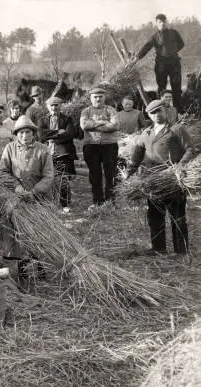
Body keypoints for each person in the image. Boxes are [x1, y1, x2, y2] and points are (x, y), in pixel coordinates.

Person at [123, 100, 195, 255]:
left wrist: (181, 165)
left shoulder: (177, 129)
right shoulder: (146, 133)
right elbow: (137, 154)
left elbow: (190, 149)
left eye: (159, 110)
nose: (156, 114)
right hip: (152, 181)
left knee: (177, 216)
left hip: (173, 180)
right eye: (152, 112)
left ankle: (181, 251)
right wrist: (129, 171)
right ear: (148, 115)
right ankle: (158, 249)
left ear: (165, 111)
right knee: (155, 216)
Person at [0, 116, 54, 287]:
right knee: (20, 235)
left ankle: (41, 268)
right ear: (16, 134)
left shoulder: (42, 150)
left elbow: (49, 175)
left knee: (39, 235)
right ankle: (23, 270)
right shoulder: (10, 148)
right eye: (21, 132)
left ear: (33, 133)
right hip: (18, 200)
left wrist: (35, 191)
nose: (24, 135)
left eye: (27, 132)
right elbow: (3, 171)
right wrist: (17, 188)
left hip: (39, 199)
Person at [134, 14, 185, 110]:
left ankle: (178, 109)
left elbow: (181, 44)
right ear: (156, 24)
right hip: (161, 65)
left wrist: (173, 52)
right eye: (160, 22)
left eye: (164, 22)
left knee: (176, 86)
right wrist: (137, 57)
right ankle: (161, 108)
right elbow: (146, 47)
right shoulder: (154, 37)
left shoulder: (174, 33)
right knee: (162, 87)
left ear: (167, 22)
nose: (162, 24)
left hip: (174, 63)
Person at [80, 86, 120, 208]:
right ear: (91, 98)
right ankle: (97, 201)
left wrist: (94, 125)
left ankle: (110, 202)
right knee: (95, 174)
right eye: (95, 97)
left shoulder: (111, 110)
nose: (98, 99)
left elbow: (115, 125)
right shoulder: (86, 111)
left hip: (109, 146)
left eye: (100, 97)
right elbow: (84, 125)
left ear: (104, 97)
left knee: (111, 174)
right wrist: (103, 122)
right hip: (91, 146)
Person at [37, 97, 77, 213]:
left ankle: (65, 204)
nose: (54, 107)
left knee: (63, 179)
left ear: (61, 106)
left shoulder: (67, 119)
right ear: (47, 107)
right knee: (47, 178)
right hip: (47, 154)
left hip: (63, 154)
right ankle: (49, 203)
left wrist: (51, 137)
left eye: (57, 105)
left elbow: (69, 134)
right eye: (52, 105)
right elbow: (41, 135)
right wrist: (58, 132)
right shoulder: (42, 120)